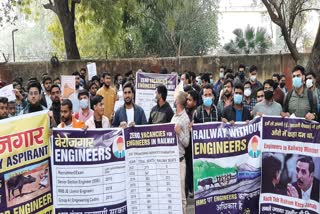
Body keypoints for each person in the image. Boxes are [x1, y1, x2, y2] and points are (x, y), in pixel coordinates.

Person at [171, 91, 190, 214]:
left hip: (180, 161)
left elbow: (187, 142)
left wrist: (180, 132)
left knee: (182, 196)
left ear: (178, 102)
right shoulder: (174, 116)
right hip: (172, 160)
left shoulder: (185, 118)